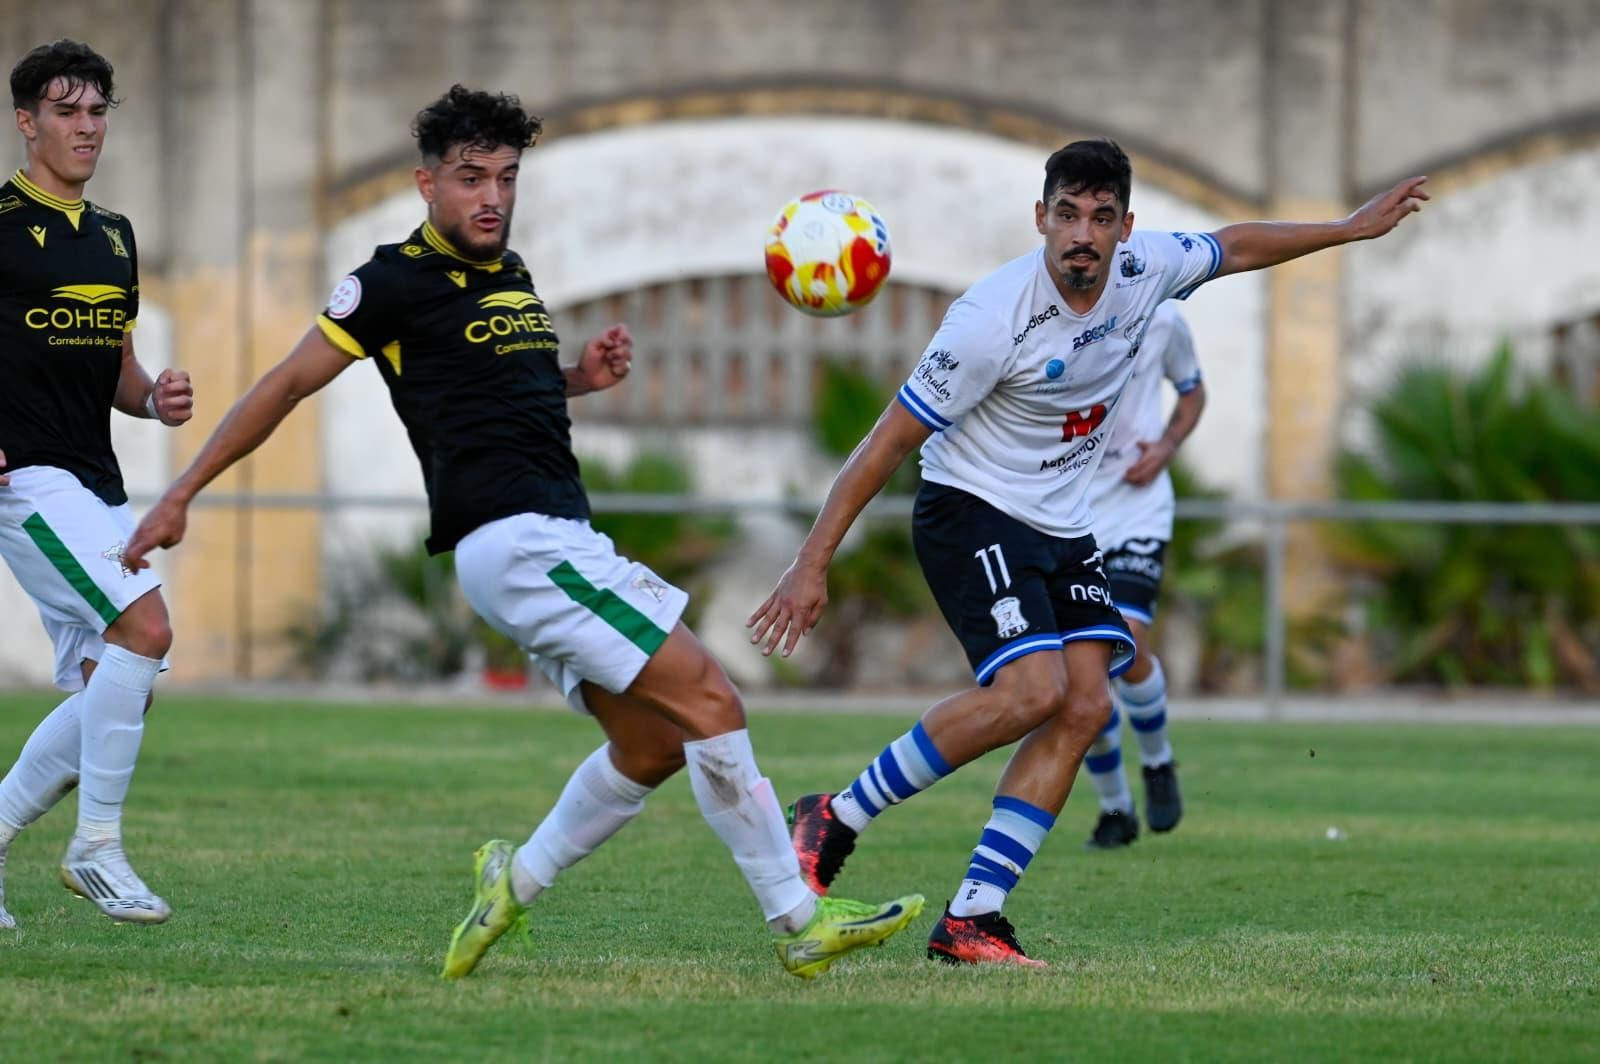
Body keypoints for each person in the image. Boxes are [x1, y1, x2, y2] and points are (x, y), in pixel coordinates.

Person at [123, 85, 922, 980]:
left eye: (505, 177)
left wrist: (579, 374)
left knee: (653, 744)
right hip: (520, 540)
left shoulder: (511, 272)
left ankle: (514, 882)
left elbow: (503, 390)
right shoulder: (388, 282)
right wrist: (182, 490)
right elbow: (282, 386)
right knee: (713, 700)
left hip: (542, 540)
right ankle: (797, 917)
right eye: (471, 179)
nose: (491, 196)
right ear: (428, 185)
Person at [749, 139, 1427, 966]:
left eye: (1101, 218)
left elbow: (1238, 244)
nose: (1083, 233)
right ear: (1041, 218)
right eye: (1067, 214)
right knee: (1031, 690)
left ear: (1125, 228)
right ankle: (835, 816)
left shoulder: (1149, 271)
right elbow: (887, 440)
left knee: (1085, 705)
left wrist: (1349, 230)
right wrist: (811, 561)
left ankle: (974, 917)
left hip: (1064, 525)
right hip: (972, 508)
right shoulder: (990, 318)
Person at [0, 39, 193, 929]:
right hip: (26, 482)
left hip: (94, 480)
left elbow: (116, 365)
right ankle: (97, 846)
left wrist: (153, 397)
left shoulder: (114, 236)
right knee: (145, 626)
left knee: (115, 683)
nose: (86, 127)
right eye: (67, 111)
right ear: (26, 121)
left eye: (98, 111)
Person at [1078, 301, 1203, 850]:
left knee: (1124, 639)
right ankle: (1115, 808)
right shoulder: (1041, 311)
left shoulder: (1163, 317)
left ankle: (1157, 761)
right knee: (1079, 675)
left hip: (1137, 508)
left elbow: (1192, 391)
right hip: (1068, 514)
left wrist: (1167, 446)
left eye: (1105, 217)